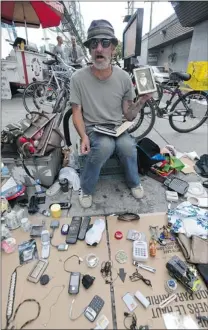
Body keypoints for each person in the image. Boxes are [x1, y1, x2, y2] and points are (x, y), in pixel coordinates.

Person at [70, 19, 152, 208]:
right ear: (90, 49)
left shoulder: (123, 77)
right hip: (93, 128)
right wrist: (83, 137)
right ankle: (87, 187)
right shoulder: (78, 78)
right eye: (94, 43)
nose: (99, 48)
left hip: (117, 127)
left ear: (113, 48)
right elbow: (76, 112)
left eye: (105, 43)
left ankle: (133, 181)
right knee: (105, 146)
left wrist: (142, 100)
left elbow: (129, 115)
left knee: (127, 146)